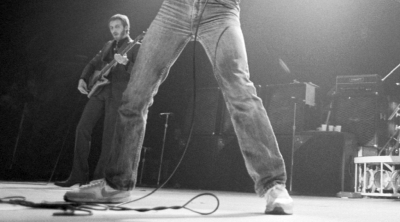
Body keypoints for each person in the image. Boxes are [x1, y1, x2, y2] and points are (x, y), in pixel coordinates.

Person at [64, 0, 294, 215]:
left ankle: (273, 185)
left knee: (240, 91)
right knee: (135, 95)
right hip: (173, 9)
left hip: (220, 9)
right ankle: (117, 185)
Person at [55, 14, 138, 187]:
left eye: (117, 26)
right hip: (99, 90)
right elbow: (93, 63)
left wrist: (126, 63)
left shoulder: (135, 46)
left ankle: (98, 179)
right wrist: (83, 78)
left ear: (126, 27)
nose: (114, 30)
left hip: (117, 95)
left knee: (108, 138)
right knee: (82, 128)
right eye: (112, 27)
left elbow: (140, 73)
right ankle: (78, 175)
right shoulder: (108, 45)